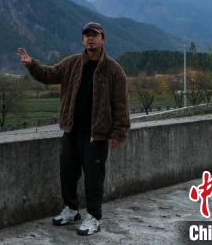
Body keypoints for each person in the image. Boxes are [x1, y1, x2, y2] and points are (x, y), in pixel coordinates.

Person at [17, 22, 129, 236]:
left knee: (93, 179)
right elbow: (49, 74)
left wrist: (119, 132)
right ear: (82, 40)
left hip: (96, 135)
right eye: (86, 35)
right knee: (67, 173)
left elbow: (121, 104)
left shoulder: (114, 70)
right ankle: (71, 209)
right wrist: (32, 64)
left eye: (94, 35)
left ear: (103, 39)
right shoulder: (72, 63)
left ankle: (94, 217)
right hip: (71, 130)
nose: (90, 38)